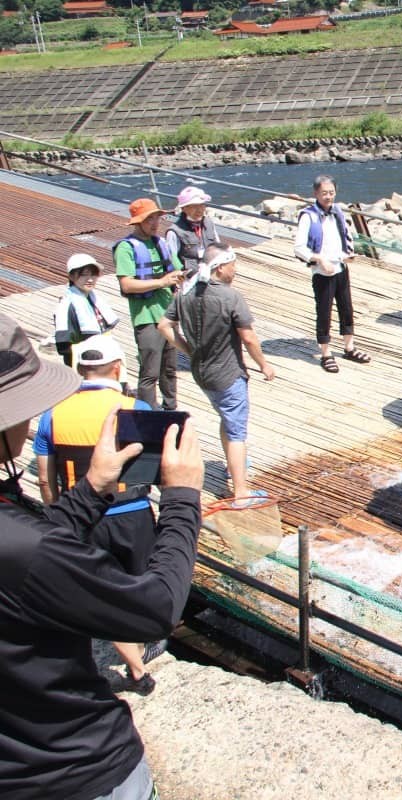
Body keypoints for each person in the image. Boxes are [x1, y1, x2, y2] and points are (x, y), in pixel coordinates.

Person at [0, 313, 204, 800]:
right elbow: (152, 609)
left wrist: (92, 488)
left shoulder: (20, 541)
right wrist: (181, 500)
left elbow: (27, 557)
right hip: (71, 768)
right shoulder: (23, 548)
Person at [34, 334, 162, 695]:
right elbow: (155, 467)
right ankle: (144, 647)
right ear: (119, 367)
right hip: (132, 510)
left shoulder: (52, 414)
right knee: (140, 584)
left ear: (79, 370)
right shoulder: (136, 407)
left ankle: (136, 666)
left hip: (83, 514)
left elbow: (45, 478)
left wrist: (61, 516)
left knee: (100, 592)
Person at [159, 243, 276, 502]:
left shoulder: (185, 294)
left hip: (202, 371)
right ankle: (242, 491)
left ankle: (230, 466)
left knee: (226, 417)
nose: (235, 271)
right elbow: (249, 337)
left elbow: (164, 325)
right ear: (221, 268)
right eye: (233, 265)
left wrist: (187, 348)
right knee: (237, 432)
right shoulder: (229, 297)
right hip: (228, 374)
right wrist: (264, 365)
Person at [292, 174, 371, 374]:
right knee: (324, 312)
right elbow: (299, 248)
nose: (328, 197)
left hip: (341, 268)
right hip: (322, 271)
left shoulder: (337, 212)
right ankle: (326, 353)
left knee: (347, 308)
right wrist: (319, 259)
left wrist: (348, 254)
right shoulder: (308, 215)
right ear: (316, 193)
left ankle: (349, 347)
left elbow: (345, 236)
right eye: (324, 193)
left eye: (331, 192)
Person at [114, 197, 186, 410]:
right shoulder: (126, 248)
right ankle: (146, 414)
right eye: (149, 219)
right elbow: (126, 284)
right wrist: (162, 282)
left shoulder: (161, 243)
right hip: (146, 317)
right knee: (150, 372)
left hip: (169, 315)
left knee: (170, 370)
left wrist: (180, 279)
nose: (155, 223)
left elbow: (176, 269)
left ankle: (171, 409)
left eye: (157, 218)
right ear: (137, 222)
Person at [52, 252, 120, 366]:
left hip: (101, 358)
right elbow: (63, 346)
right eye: (84, 275)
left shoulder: (94, 299)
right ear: (71, 276)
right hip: (82, 364)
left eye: (93, 274)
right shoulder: (67, 305)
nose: (90, 279)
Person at [166, 185, 221, 275]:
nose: (199, 210)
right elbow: (171, 258)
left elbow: (219, 248)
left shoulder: (209, 223)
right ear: (183, 208)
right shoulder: (174, 232)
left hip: (212, 273)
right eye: (194, 206)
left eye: (202, 205)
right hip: (190, 279)